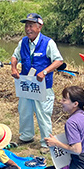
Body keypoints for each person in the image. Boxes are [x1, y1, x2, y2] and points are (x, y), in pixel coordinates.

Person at [11, 13, 64, 154]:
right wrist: (13, 68)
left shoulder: (48, 43)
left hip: (43, 86)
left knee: (43, 114)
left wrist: (45, 71)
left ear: (39, 27)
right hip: (26, 84)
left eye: (31, 26)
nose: (28, 29)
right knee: (24, 111)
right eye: (26, 25)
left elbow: (59, 61)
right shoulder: (23, 42)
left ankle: (46, 142)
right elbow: (15, 56)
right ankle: (26, 136)